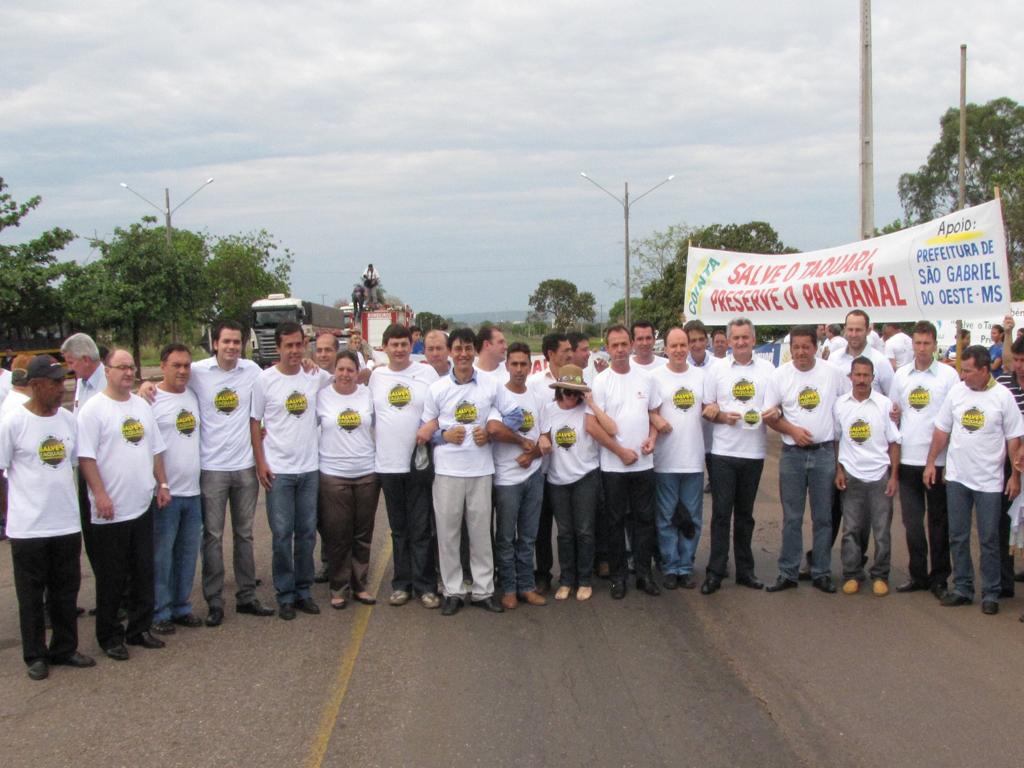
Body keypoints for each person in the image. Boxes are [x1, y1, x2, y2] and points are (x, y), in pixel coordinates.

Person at [0, 355, 95, 680]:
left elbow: (77, 463)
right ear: (35, 385)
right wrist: (8, 514)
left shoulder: (67, 421)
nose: (62, 388)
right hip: (28, 528)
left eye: (63, 381)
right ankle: (36, 655)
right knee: (30, 596)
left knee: (65, 591)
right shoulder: (13, 422)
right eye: (55, 383)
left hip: (65, 523)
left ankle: (65, 648)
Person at [416, 327, 522, 616]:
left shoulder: (490, 384)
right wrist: (443, 436)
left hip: (481, 470)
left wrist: (491, 433)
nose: (463, 354)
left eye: (467, 349)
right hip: (447, 472)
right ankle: (452, 591)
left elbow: (516, 415)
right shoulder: (438, 388)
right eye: (458, 349)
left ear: (475, 351)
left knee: (480, 533)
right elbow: (425, 429)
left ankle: (483, 591)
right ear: (450, 352)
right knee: (448, 534)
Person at [78, 349, 171, 661]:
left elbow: (156, 449)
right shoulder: (93, 410)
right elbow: (86, 458)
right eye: (122, 367)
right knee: (112, 578)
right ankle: (109, 636)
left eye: (131, 367)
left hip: (141, 505)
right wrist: (100, 495)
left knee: (143, 571)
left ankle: (139, 629)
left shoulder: (141, 406)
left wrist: (162, 484)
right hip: (110, 512)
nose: (129, 373)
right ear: (107, 371)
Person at [180, 320, 275, 626]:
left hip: (245, 467)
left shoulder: (252, 371)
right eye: (226, 342)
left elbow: (273, 390)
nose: (232, 347)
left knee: (245, 535)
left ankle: (247, 596)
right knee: (212, 536)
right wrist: (145, 387)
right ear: (215, 343)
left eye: (236, 342)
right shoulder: (198, 372)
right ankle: (215, 601)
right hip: (212, 469)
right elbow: (171, 380)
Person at [926, 345, 1023, 615]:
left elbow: (1014, 440)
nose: (963, 375)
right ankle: (963, 588)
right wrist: (931, 462)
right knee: (958, 535)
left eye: (968, 371)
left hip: (989, 481)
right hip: (958, 478)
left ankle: (991, 592)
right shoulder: (957, 393)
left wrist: (1015, 477)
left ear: (983, 370)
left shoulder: (1002, 397)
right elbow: (942, 430)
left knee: (989, 539)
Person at [250, 321, 331, 620]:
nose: (295, 351)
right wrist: (260, 462)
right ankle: (285, 594)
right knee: (282, 534)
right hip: (279, 470)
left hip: (309, 468)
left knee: (307, 533)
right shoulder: (264, 380)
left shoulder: (314, 375)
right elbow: (254, 422)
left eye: (299, 345)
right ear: (278, 348)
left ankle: (303, 591)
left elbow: (347, 379)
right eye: (289, 346)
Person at [763, 325, 844, 593]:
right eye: (795, 347)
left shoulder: (832, 374)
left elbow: (848, 406)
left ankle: (821, 572)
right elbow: (769, 415)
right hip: (792, 456)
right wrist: (792, 431)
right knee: (792, 518)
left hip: (824, 454)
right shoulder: (780, 376)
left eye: (805, 347)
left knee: (823, 518)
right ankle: (788, 572)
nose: (800, 352)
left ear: (816, 348)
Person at [701, 317, 775, 595]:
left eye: (746, 337)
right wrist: (720, 416)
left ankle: (745, 571)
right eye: (736, 337)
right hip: (723, 453)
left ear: (754, 340)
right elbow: (707, 407)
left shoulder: (768, 370)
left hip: (753, 453)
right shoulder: (716, 370)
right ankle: (715, 571)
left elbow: (776, 406)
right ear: (729, 341)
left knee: (745, 515)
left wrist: (776, 412)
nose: (741, 342)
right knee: (721, 514)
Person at [587, 324, 660, 599]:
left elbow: (654, 414)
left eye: (623, 344)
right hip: (614, 467)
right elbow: (592, 426)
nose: (619, 350)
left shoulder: (647, 378)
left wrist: (652, 438)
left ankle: (643, 574)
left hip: (643, 465)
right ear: (607, 348)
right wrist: (620, 451)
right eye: (614, 345)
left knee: (645, 521)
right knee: (615, 523)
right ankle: (618, 578)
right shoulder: (601, 381)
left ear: (631, 345)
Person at [370, 324, 440, 608]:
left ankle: (426, 586)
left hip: (418, 464)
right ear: (384, 347)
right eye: (394, 344)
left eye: (403, 344)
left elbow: (440, 410)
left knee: (421, 528)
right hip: (388, 465)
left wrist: (430, 426)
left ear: (411, 346)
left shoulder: (427, 374)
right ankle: (402, 584)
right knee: (399, 530)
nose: (399, 349)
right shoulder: (376, 377)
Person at [889, 321, 959, 597]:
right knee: (912, 523)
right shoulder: (901, 375)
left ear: (935, 345)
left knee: (938, 523)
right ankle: (917, 575)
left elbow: (954, 416)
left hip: (938, 462)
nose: (921, 348)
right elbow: (894, 413)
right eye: (917, 343)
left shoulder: (948, 376)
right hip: (908, 460)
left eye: (926, 343)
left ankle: (939, 578)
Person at [538, 365, 614, 601]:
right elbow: (542, 435)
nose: (571, 396)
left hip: (585, 477)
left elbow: (611, 430)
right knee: (565, 532)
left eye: (575, 392)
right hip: (557, 479)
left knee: (584, 531)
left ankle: (584, 580)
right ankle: (566, 579)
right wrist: (542, 439)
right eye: (566, 391)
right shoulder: (548, 410)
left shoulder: (587, 411)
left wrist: (591, 403)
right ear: (559, 390)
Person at [317, 350, 380, 609]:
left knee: (363, 534)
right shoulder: (322, 396)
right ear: (334, 371)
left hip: (366, 472)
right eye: (341, 369)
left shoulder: (367, 395)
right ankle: (339, 587)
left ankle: (360, 585)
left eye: (350, 370)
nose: (345, 374)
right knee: (337, 534)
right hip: (333, 474)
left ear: (357, 372)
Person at [834, 357, 901, 596]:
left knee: (881, 531)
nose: (861, 380)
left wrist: (893, 476)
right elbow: (836, 440)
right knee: (851, 529)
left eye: (866, 375)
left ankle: (880, 575)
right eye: (858, 375)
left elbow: (894, 442)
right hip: (851, 475)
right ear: (850, 376)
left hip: (879, 475)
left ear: (873, 378)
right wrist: (839, 470)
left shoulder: (884, 405)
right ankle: (852, 574)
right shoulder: (840, 405)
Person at [149, 344, 204, 635]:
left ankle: (181, 606)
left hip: (193, 492)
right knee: (162, 556)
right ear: (162, 366)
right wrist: (162, 483)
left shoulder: (192, 395)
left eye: (186, 365)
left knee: (186, 554)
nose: (182, 371)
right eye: (176, 365)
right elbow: (152, 448)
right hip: (166, 493)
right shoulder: (151, 400)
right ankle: (160, 611)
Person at [487, 343, 546, 609]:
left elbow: (545, 437)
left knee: (528, 537)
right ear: (507, 365)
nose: (519, 369)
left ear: (530, 366)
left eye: (524, 364)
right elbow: (495, 430)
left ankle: (527, 587)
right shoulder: (499, 396)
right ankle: (508, 588)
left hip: (534, 476)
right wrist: (522, 442)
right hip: (507, 480)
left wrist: (533, 454)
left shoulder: (536, 397)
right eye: (515, 364)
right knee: (506, 537)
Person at [650, 328, 707, 590]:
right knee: (665, 518)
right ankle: (670, 566)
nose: (679, 350)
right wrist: (656, 419)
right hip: (665, 460)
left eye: (683, 345)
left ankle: (685, 567)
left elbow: (709, 406)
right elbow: (647, 410)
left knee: (692, 518)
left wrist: (715, 408)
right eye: (673, 345)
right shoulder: (655, 377)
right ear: (665, 348)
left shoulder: (701, 376)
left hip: (693, 459)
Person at [526, 332, 572, 593]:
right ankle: (542, 574)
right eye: (565, 350)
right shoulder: (534, 384)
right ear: (551, 354)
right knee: (541, 526)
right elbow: (530, 419)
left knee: (568, 527)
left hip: (568, 466)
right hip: (541, 468)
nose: (570, 354)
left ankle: (570, 574)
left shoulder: (576, 381)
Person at [61, 333, 107, 571]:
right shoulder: (82, 382)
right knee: (89, 528)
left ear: (86, 359)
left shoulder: (107, 383)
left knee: (106, 533)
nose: (70, 368)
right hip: (83, 464)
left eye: (71, 362)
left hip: (103, 466)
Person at [312, 331, 340, 584]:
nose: (323, 354)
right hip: (314, 457)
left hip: (338, 459)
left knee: (337, 517)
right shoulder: (310, 377)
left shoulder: (346, 376)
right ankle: (328, 560)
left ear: (336, 352)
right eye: (319, 350)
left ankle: (338, 562)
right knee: (321, 516)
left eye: (328, 350)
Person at [829, 310, 893, 395]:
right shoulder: (834, 359)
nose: (854, 334)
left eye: (858, 330)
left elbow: (892, 396)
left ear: (868, 331)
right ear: (845, 330)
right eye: (850, 330)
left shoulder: (881, 361)